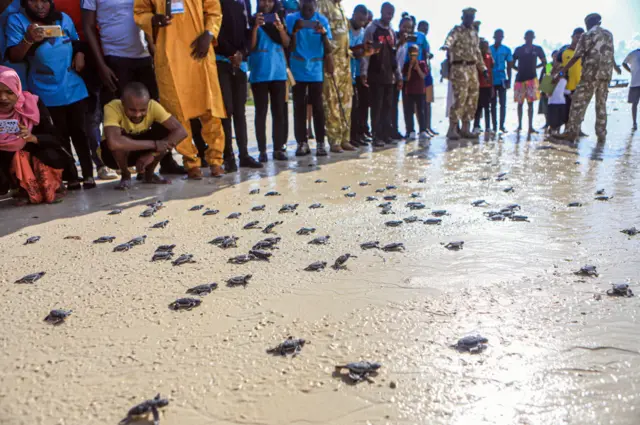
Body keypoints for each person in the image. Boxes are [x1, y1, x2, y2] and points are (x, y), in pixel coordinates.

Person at [6, 0, 95, 190]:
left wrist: (80, 53)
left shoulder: (63, 19)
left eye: (45, 1)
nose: (40, 6)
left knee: (80, 132)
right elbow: (14, 56)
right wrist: (29, 39)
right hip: (44, 90)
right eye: (34, 1)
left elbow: (75, 40)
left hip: (72, 86)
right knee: (58, 135)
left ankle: (88, 174)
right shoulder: (17, 21)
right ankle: (70, 176)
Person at [134, 0, 226, 180]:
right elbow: (140, 13)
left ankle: (216, 160)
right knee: (178, 113)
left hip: (199, 52)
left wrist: (209, 34)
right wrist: (154, 19)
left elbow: (214, 11)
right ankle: (191, 162)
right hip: (170, 56)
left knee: (210, 110)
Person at [0, 66, 76, 205]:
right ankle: (20, 189)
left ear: (17, 89)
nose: (3, 98)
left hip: (39, 152)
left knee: (34, 154)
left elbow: (56, 139)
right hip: (7, 159)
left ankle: (53, 186)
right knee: (15, 155)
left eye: (9, 92)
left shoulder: (32, 103)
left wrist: (32, 138)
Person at [102, 82, 187, 189]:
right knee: (119, 141)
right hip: (113, 158)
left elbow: (181, 131)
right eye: (132, 110)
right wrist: (154, 144)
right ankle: (125, 175)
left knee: (166, 132)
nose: (137, 115)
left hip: (142, 150)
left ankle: (149, 175)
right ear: (122, 102)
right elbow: (114, 143)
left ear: (148, 104)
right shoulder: (112, 107)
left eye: (143, 110)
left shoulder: (153, 105)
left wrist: (153, 154)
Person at [555, 13, 621, 143]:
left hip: (590, 75)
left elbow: (576, 56)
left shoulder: (587, 35)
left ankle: (571, 133)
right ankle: (601, 135)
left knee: (577, 103)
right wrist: (615, 67)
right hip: (605, 76)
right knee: (601, 105)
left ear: (587, 23)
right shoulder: (609, 35)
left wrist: (561, 72)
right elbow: (610, 53)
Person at [216, 0, 262, 172]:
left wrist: (241, 53)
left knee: (240, 111)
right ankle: (228, 157)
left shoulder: (245, 3)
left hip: (240, 64)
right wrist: (231, 53)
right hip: (221, 61)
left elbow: (247, 32)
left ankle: (244, 154)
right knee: (226, 110)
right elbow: (215, 28)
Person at [286, 0, 332, 157]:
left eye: (310, 10)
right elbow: (288, 47)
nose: (307, 13)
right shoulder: (291, 19)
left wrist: (324, 33)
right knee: (299, 107)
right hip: (297, 68)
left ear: (316, 7)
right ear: (300, 6)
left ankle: (320, 143)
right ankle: (302, 143)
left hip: (315, 70)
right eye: (304, 9)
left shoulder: (322, 20)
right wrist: (294, 31)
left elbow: (328, 49)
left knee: (318, 107)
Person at [249, 0, 290, 162]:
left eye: (269, 1)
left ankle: (278, 149)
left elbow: (287, 43)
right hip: (259, 72)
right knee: (261, 112)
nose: (266, 4)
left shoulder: (280, 19)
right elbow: (250, 47)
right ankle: (262, 151)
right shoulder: (252, 19)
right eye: (263, 1)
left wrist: (280, 29)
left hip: (278, 72)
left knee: (279, 112)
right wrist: (255, 27)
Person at [441, 7, 487, 140]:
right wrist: (446, 46)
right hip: (459, 67)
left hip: (472, 68)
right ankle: (452, 128)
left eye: (471, 17)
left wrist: (483, 69)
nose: (469, 19)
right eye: (467, 17)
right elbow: (450, 39)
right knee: (460, 98)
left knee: (472, 98)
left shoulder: (474, 33)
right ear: (463, 18)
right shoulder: (457, 30)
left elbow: (477, 52)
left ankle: (466, 128)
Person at [361, 2, 401, 147]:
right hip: (375, 74)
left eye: (391, 14)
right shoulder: (372, 29)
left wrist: (398, 76)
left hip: (389, 76)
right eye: (387, 13)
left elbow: (394, 55)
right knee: (376, 107)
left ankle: (385, 134)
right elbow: (366, 53)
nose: (389, 16)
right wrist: (364, 72)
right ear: (382, 12)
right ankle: (376, 135)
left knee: (387, 106)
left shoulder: (391, 32)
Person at [317, 0, 355, 153]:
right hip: (331, 61)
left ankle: (346, 138)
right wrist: (328, 57)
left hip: (345, 62)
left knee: (346, 100)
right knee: (331, 101)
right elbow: (320, 32)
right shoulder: (323, 4)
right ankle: (335, 140)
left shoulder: (340, 6)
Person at [512, 30, 546, 134]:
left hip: (532, 79)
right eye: (527, 37)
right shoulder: (519, 49)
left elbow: (546, 63)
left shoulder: (538, 49)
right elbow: (511, 64)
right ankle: (520, 126)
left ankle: (530, 127)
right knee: (520, 103)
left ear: (533, 38)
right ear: (524, 38)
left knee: (530, 104)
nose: (529, 39)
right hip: (519, 79)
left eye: (531, 37)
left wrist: (535, 68)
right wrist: (520, 70)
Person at [348, 4, 369, 147]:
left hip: (356, 73)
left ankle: (357, 135)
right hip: (343, 72)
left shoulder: (362, 32)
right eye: (360, 19)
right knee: (350, 107)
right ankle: (349, 137)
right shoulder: (345, 27)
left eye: (364, 21)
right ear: (354, 14)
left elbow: (362, 55)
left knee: (358, 105)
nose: (361, 23)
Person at [560, 28, 586, 137]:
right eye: (577, 37)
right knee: (567, 110)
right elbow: (555, 67)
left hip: (580, 85)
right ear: (572, 37)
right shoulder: (564, 51)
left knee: (579, 109)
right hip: (566, 86)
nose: (578, 39)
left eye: (581, 37)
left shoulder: (584, 52)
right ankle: (566, 130)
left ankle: (578, 130)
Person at [402, 45, 428, 141]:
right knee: (409, 111)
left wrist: (417, 67)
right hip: (409, 90)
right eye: (412, 54)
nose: (414, 56)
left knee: (421, 110)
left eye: (416, 54)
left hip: (420, 90)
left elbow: (423, 76)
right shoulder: (406, 65)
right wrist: (410, 67)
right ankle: (410, 130)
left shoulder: (422, 63)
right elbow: (407, 78)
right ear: (409, 54)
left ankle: (422, 130)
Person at [489, 29, 513, 133]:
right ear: (494, 37)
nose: (499, 38)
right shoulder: (489, 49)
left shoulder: (506, 50)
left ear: (502, 37)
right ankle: (494, 126)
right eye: (497, 36)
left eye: (500, 36)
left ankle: (502, 126)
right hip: (491, 79)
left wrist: (509, 80)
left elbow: (509, 66)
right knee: (492, 104)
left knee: (503, 104)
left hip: (502, 78)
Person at [417, 20, 437, 136]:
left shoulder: (424, 40)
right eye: (423, 27)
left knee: (428, 100)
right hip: (421, 72)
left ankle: (427, 126)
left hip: (427, 71)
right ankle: (423, 127)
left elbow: (427, 54)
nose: (425, 30)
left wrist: (429, 55)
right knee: (422, 102)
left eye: (426, 28)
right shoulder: (417, 38)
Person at [474, 38, 494, 135]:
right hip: (478, 85)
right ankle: (476, 126)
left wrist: (492, 86)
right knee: (478, 107)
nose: (484, 48)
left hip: (487, 86)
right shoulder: (476, 58)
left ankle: (488, 127)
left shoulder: (489, 58)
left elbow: (491, 72)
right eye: (483, 46)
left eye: (486, 46)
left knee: (487, 107)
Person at [547, 63, 570, 135]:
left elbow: (564, 90)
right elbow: (547, 94)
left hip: (562, 102)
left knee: (560, 120)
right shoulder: (548, 78)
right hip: (552, 103)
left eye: (563, 72)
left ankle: (558, 133)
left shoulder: (564, 80)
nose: (561, 73)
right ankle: (552, 132)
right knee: (553, 122)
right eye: (559, 72)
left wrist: (570, 93)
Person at [623, 48, 640, 131]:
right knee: (634, 104)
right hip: (635, 83)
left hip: (635, 83)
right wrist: (630, 71)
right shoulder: (633, 53)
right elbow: (624, 63)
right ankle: (634, 123)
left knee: (635, 104)